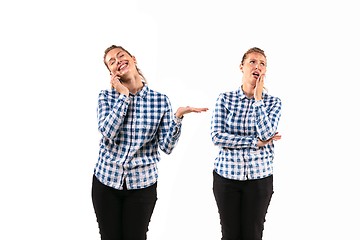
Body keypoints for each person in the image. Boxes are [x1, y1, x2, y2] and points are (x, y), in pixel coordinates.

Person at [92, 45, 208, 240]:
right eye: (112, 62)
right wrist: (123, 97)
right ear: (112, 73)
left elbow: (167, 147)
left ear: (133, 58)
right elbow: (107, 132)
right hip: (106, 183)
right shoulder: (106, 97)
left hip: (142, 186)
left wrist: (178, 117)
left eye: (121, 56)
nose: (118, 60)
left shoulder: (160, 101)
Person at [211, 47, 282, 240]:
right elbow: (217, 137)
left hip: (260, 179)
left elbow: (267, 133)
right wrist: (255, 142)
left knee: (253, 234)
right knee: (230, 234)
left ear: (265, 71)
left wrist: (258, 99)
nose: (257, 66)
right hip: (226, 178)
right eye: (252, 61)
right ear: (241, 67)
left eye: (262, 64)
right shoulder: (225, 99)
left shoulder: (273, 102)